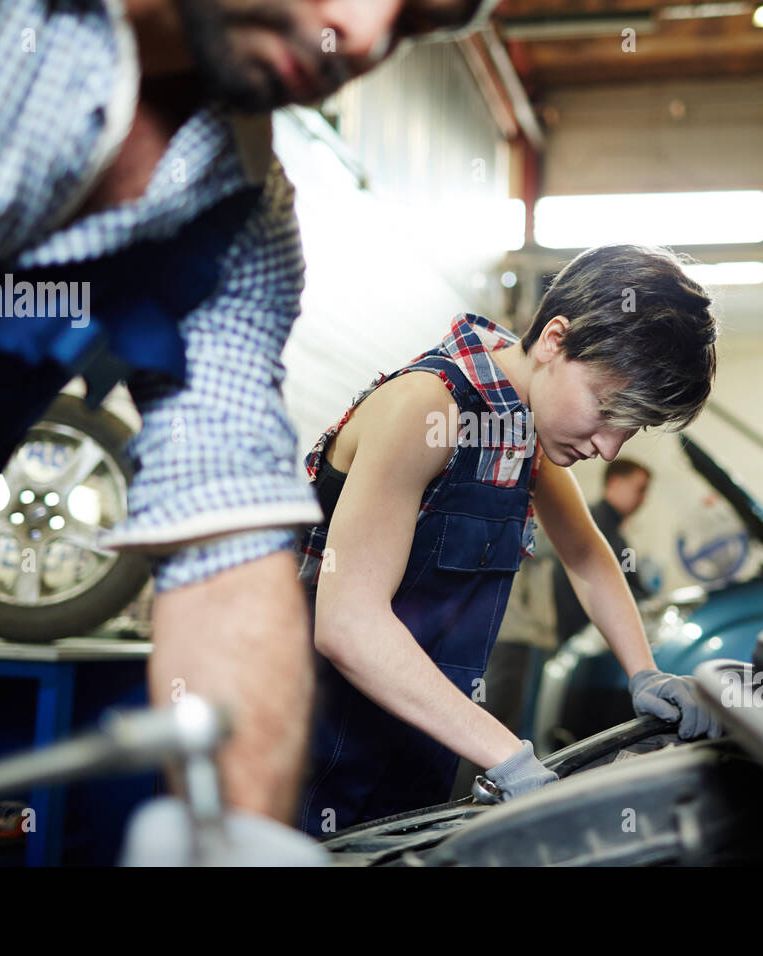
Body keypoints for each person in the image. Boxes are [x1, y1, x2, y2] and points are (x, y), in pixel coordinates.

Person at [0, 0, 497, 864]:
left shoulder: (234, 221)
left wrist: (234, 835)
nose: (364, 38)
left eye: (414, 27)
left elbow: (225, 541)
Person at [294, 243, 720, 835]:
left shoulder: (522, 430)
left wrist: (644, 672)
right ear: (554, 339)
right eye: (605, 408)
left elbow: (587, 555)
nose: (609, 448)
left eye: (632, 427)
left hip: (417, 738)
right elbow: (349, 624)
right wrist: (511, 758)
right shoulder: (425, 409)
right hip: (305, 740)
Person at [553, 458, 656, 643]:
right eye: (640, 489)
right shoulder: (590, 524)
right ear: (615, 482)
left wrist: (648, 601)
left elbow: (630, 574)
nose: (644, 499)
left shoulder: (619, 537)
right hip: (582, 637)